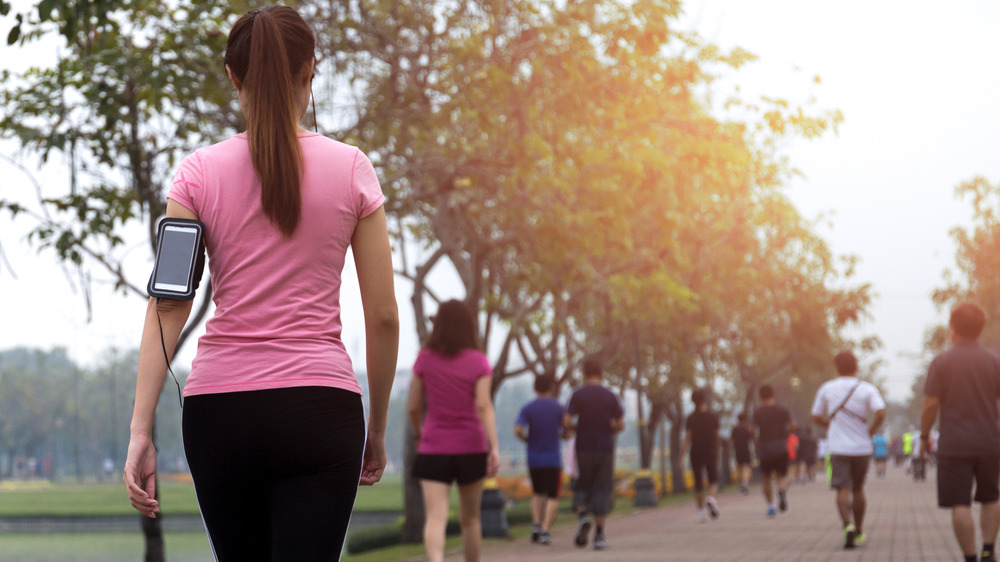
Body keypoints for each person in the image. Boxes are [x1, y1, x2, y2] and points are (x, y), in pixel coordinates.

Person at [123, 6, 399, 559]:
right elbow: (385, 317)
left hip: (221, 416)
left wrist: (140, 427)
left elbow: (168, 304)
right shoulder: (352, 169)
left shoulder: (197, 174)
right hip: (321, 410)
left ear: (233, 76)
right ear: (309, 73)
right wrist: (377, 427)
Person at [408, 299, 501, 562]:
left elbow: (414, 407)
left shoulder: (424, 359)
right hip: (471, 447)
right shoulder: (479, 361)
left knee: (436, 517)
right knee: (470, 519)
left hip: (433, 447)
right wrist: (493, 446)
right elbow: (484, 405)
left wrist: (419, 434)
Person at [920, 303, 1000, 562]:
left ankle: (970, 557)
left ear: (952, 329)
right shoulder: (994, 360)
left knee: (960, 503)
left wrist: (924, 436)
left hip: (954, 444)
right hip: (990, 441)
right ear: (981, 328)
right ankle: (989, 551)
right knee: (991, 496)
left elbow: (931, 404)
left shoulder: (941, 362)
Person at [811, 350, 886, 550]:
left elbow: (816, 415)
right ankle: (859, 530)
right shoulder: (867, 389)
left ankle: (847, 525)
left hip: (837, 448)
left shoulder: (827, 388)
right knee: (858, 488)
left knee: (842, 489)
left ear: (837, 367)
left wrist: (829, 425)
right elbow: (880, 411)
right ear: (856, 367)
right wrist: (870, 430)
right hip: (861, 448)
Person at [564, 356, 624, 550]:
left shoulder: (577, 394)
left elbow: (566, 421)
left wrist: (576, 428)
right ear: (601, 373)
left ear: (584, 373)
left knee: (582, 485)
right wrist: (609, 429)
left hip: (583, 447)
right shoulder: (611, 395)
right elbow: (620, 424)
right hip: (605, 448)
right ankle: (599, 535)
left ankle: (583, 518)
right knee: (602, 488)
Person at [514, 372, 567, 545]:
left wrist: (527, 439)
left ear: (535, 388)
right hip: (552, 459)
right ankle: (545, 531)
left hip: (534, 457)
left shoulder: (528, 408)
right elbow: (568, 428)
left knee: (537, 492)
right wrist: (562, 435)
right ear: (551, 387)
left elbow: (518, 429)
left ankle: (536, 525)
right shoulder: (558, 407)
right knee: (553, 495)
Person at [752, 384, 796, 518]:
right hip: (781, 447)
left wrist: (756, 441)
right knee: (782, 475)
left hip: (765, 448)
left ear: (760, 396)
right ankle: (782, 490)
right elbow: (794, 424)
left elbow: (751, 429)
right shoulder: (782, 409)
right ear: (773, 394)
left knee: (765, 477)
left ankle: (771, 505)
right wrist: (786, 433)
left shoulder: (758, 411)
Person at [683, 388, 721, 522]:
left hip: (695, 452)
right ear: (705, 399)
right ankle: (711, 498)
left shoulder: (691, 418)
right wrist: (718, 451)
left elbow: (687, 437)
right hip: (710, 451)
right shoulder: (713, 417)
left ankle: (700, 513)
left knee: (698, 483)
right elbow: (717, 437)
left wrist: (682, 456)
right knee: (713, 480)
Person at [730, 412, 754, 494]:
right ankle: (745, 483)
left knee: (740, 468)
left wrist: (731, 452)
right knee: (747, 467)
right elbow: (753, 439)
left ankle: (742, 485)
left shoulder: (735, 429)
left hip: (737, 451)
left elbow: (732, 442)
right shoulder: (748, 429)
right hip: (746, 450)